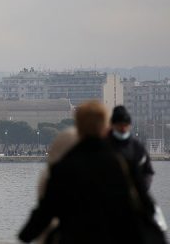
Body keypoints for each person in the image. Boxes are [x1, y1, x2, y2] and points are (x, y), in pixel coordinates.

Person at [19, 100, 165, 244]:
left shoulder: (64, 166)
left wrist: (26, 235)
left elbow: (47, 210)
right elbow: (144, 202)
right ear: (106, 127)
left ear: (78, 127)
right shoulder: (122, 162)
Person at [108, 105, 155, 190]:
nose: (123, 128)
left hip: (134, 194)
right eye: (120, 125)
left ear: (129, 126)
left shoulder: (137, 147)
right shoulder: (104, 146)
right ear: (113, 125)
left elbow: (148, 171)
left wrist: (142, 187)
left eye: (126, 125)